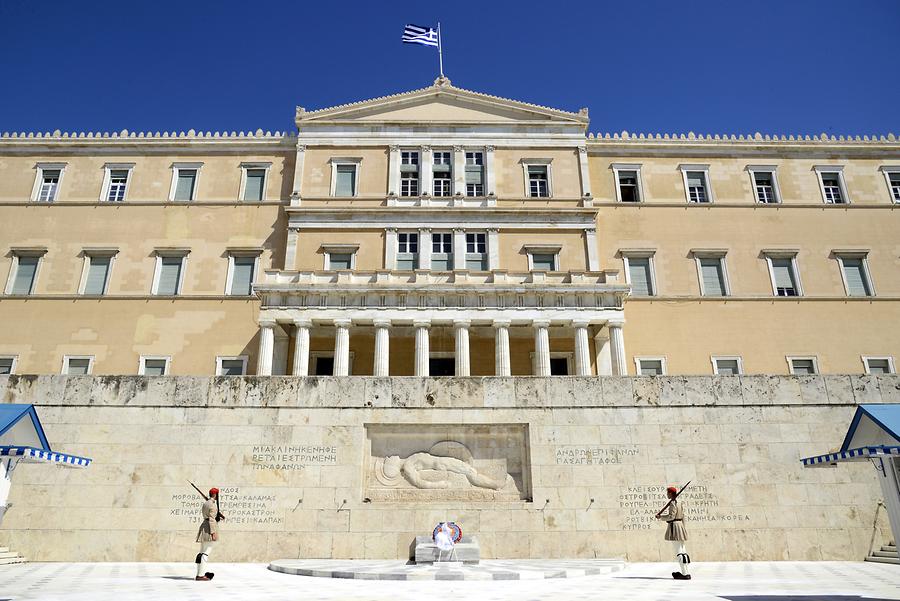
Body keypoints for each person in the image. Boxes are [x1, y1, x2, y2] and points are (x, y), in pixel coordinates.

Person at [656, 485, 690, 580]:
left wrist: (661, 517)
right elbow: (683, 516)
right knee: (683, 551)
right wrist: (683, 527)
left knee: (679, 551)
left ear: (670, 493)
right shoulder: (680, 502)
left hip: (674, 527)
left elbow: (671, 517)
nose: (667, 494)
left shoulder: (673, 503)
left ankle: (684, 574)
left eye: (667, 493)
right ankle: (686, 572)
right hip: (680, 526)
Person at [195, 487, 220, 581]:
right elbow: (212, 519)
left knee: (201, 552)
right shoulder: (212, 505)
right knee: (206, 553)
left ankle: (199, 573)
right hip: (209, 529)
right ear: (215, 495)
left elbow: (209, 517)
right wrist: (213, 533)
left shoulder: (206, 503)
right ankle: (201, 575)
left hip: (204, 526)